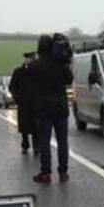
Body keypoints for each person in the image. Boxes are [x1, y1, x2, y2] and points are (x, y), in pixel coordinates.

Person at [27, 34, 73, 182]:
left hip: (43, 108)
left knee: (44, 142)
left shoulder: (34, 65)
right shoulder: (61, 64)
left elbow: (30, 85)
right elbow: (69, 80)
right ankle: (63, 172)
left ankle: (46, 172)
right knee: (62, 141)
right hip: (60, 106)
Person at [9, 51, 38, 154]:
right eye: (28, 58)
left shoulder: (38, 72)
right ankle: (25, 145)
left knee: (36, 126)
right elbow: (12, 86)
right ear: (25, 60)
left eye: (32, 58)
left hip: (36, 103)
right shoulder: (18, 72)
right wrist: (18, 98)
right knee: (24, 126)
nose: (30, 60)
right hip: (23, 104)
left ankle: (36, 146)